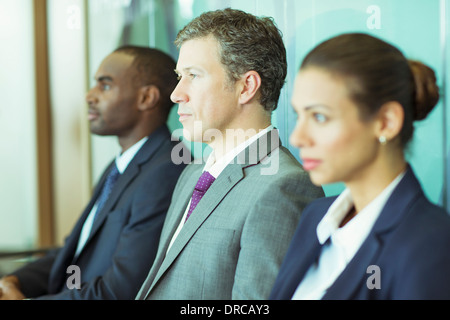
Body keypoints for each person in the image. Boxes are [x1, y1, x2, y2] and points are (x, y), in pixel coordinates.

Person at [136, 8, 324, 300]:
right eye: (178, 76)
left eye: (193, 76)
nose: (176, 94)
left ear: (246, 86)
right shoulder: (193, 173)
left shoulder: (284, 186)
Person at [269, 33, 450, 300]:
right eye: (299, 115)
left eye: (319, 116)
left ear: (386, 121)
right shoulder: (316, 217)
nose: (297, 137)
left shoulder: (431, 245)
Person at [0, 46, 187, 299]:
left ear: (147, 98)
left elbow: (120, 288)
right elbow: (75, 252)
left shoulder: (167, 170)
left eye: (105, 85)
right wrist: (14, 281)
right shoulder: (120, 166)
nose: (90, 96)